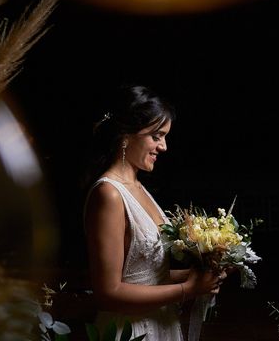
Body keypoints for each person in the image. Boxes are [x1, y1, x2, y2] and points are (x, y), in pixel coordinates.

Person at [83, 85, 224, 340]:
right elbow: (108, 292)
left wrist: (200, 277)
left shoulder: (139, 187)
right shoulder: (109, 194)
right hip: (131, 329)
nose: (164, 147)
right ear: (126, 135)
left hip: (162, 324)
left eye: (165, 137)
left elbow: (146, 274)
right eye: (157, 136)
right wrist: (186, 290)